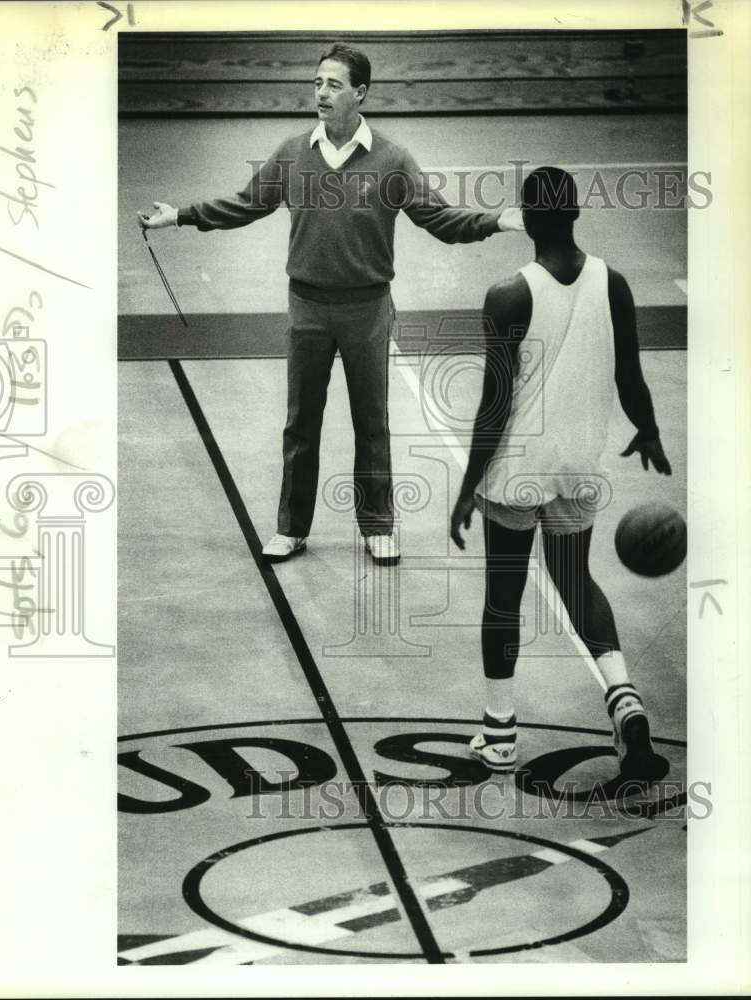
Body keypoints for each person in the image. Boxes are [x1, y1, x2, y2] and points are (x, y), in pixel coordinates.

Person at [138, 42, 523, 566]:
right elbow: (246, 204)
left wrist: (495, 220)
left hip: (367, 310)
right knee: (301, 423)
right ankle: (292, 528)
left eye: (334, 84)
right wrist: (181, 215)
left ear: (360, 93)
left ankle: (379, 526)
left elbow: (439, 219)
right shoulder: (293, 153)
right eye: (318, 83)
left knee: (372, 422)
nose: (321, 92)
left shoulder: (392, 160)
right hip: (307, 308)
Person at [450, 165, 672, 782]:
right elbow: (630, 375)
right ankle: (625, 703)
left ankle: (499, 734)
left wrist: (469, 488)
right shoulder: (614, 283)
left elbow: (494, 406)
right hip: (580, 463)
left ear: (526, 218)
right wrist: (647, 431)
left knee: (504, 596)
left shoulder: (508, 294)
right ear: (574, 213)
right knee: (577, 584)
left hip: (519, 470)